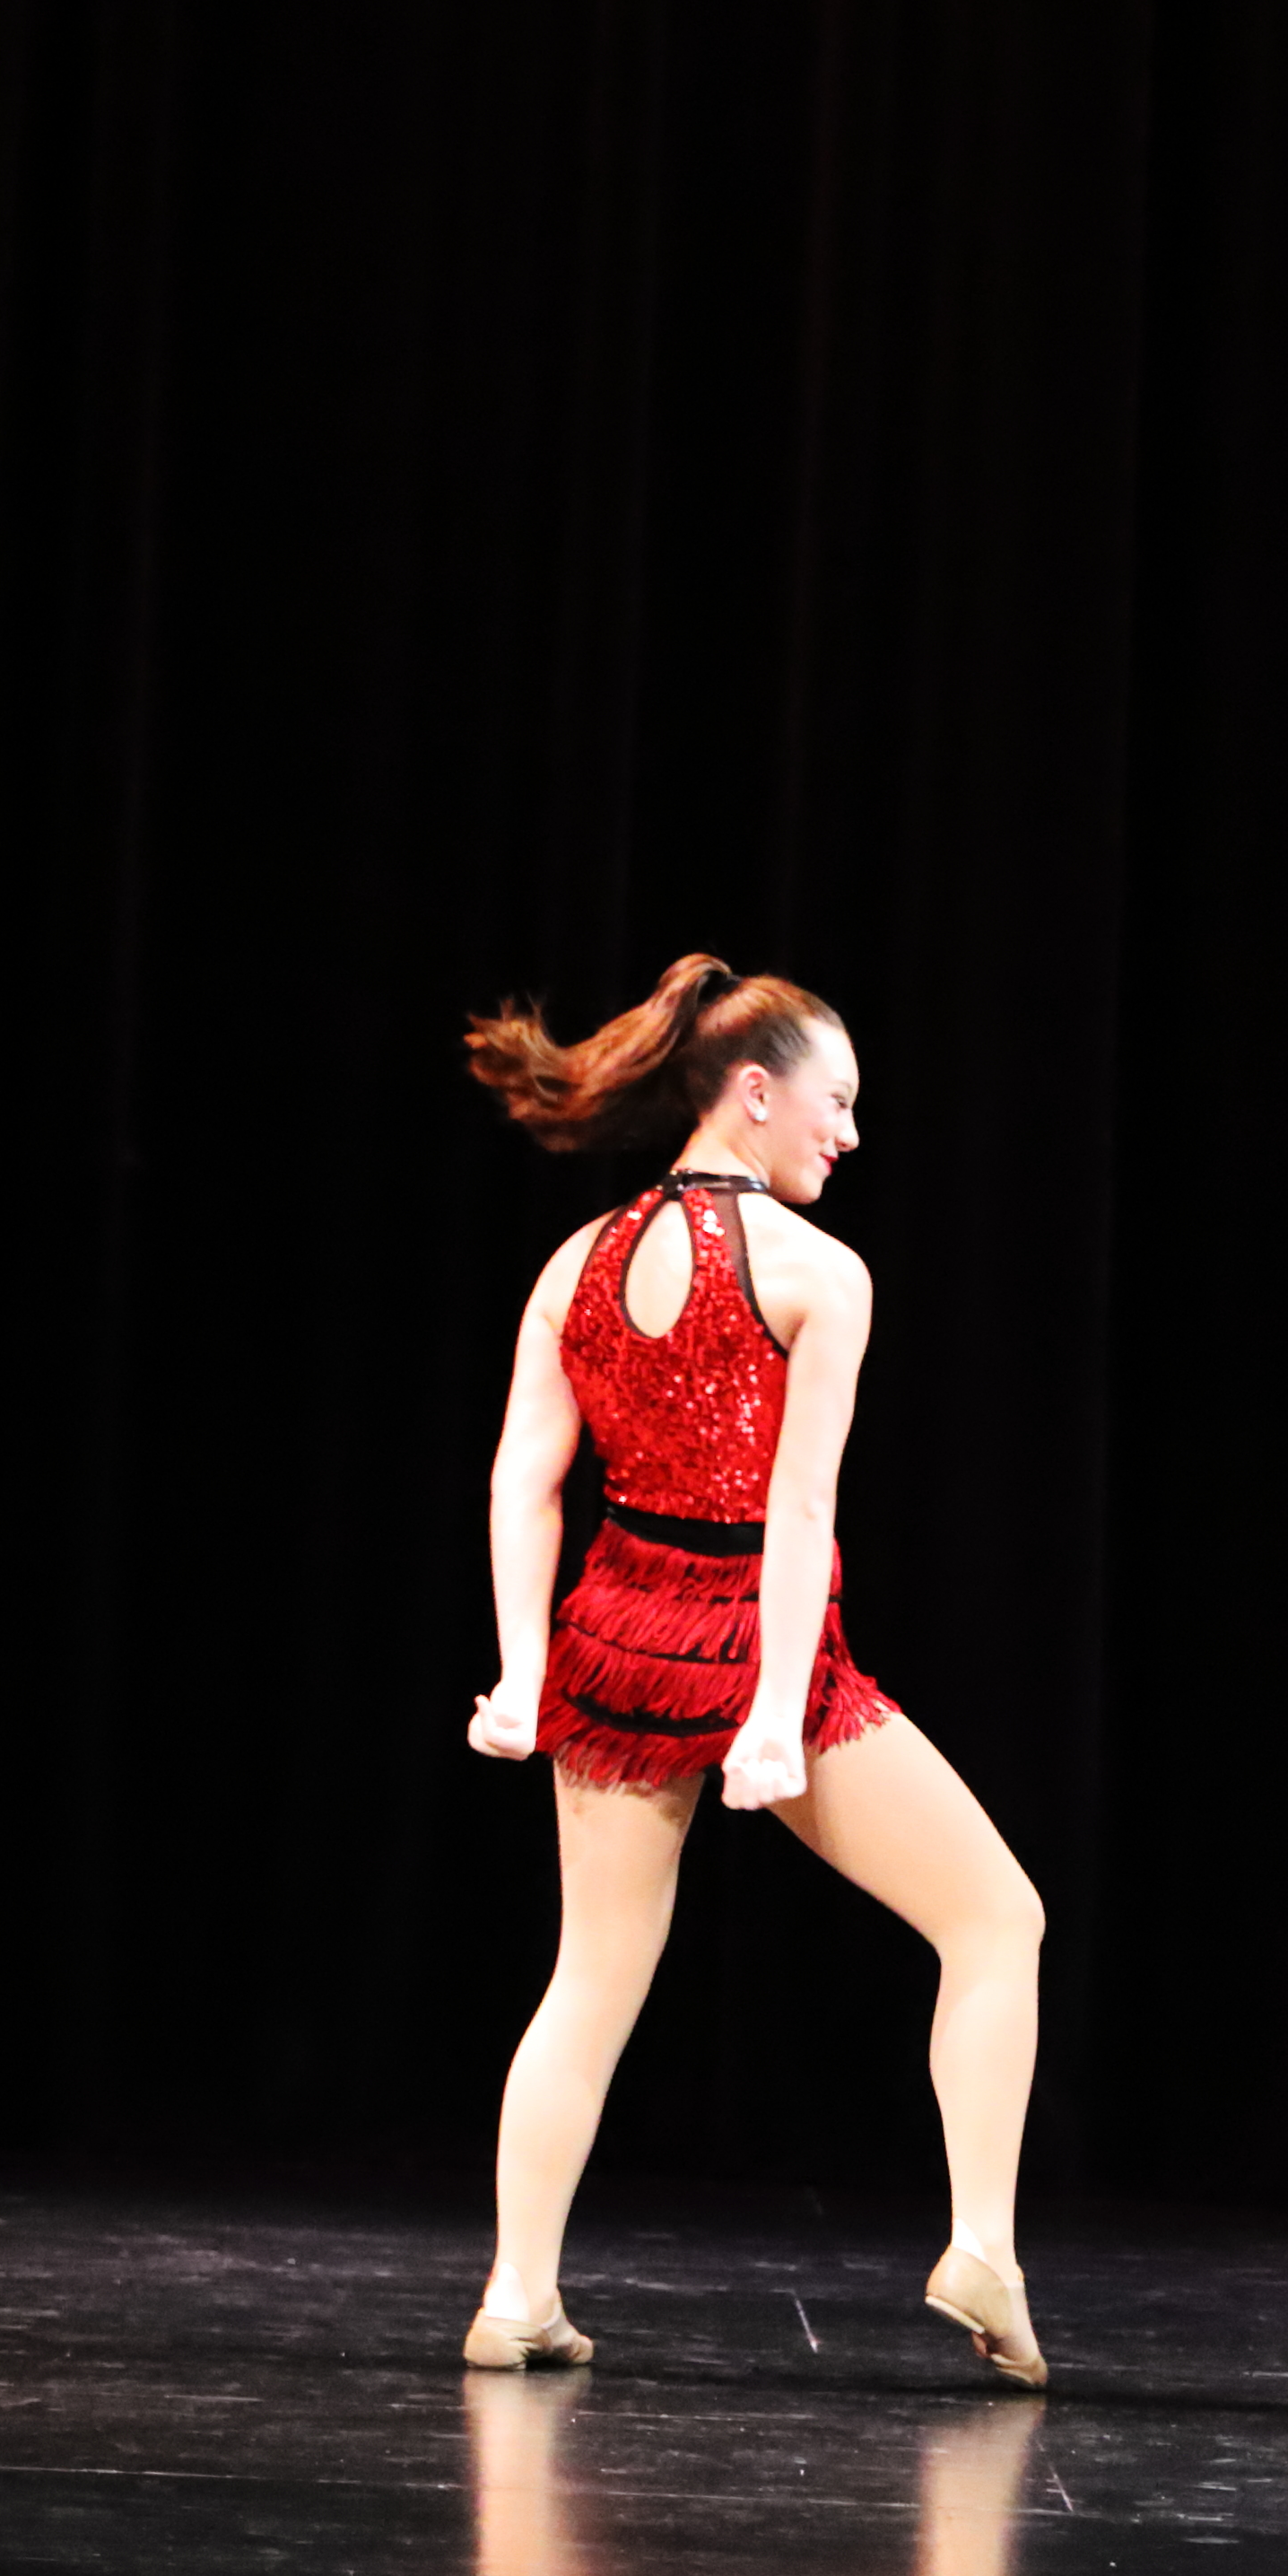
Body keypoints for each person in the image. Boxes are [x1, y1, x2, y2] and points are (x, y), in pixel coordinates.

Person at [459, 955, 1048, 2386]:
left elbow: (527, 1484)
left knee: (589, 1982)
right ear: (756, 1093)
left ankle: (517, 2296)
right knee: (999, 1920)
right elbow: (798, 1507)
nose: (850, 1133)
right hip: (748, 1638)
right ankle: (982, 2245)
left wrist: (526, 1674)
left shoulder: (577, 1263)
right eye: (835, 1103)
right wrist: (777, 1711)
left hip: (617, 1640)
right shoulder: (816, 1273)